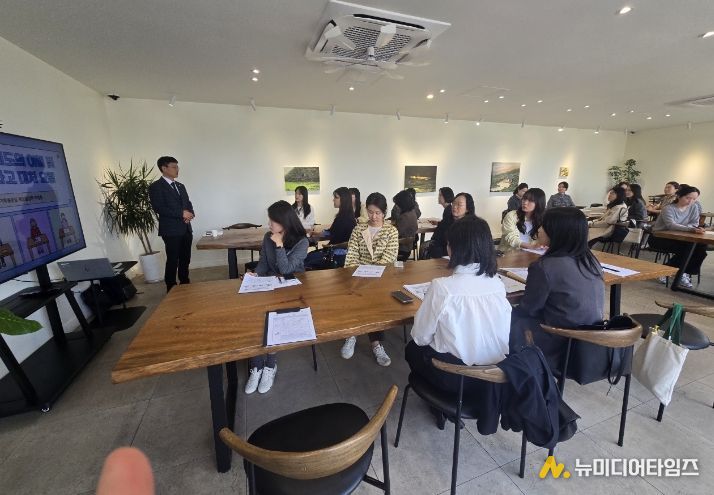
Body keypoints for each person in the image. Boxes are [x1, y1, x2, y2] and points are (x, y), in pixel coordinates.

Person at [406, 215, 511, 426]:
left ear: (454, 249)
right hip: (493, 379)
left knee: (411, 349)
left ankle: (439, 406)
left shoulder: (443, 288)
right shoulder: (497, 284)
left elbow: (420, 337)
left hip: (456, 379)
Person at [510, 207, 605, 369]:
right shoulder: (592, 261)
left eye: (543, 226)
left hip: (560, 342)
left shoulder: (545, 266)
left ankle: (514, 369)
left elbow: (529, 309)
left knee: (509, 316)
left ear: (556, 232)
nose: (539, 229)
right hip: (592, 342)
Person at [245, 201, 309, 394]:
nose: (269, 224)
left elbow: (286, 269)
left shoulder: (302, 242)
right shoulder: (268, 237)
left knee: (272, 319)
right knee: (255, 317)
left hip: (291, 289)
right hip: (270, 284)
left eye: (273, 220)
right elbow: (264, 262)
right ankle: (256, 366)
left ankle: (270, 365)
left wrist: (279, 246)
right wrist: (256, 274)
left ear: (284, 222)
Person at [342, 192, 399, 366]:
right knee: (355, 298)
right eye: (370, 212)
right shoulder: (358, 229)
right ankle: (352, 334)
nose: (373, 216)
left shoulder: (391, 231)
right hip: (358, 276)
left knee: (376, 307)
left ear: (384, 212)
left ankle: (376, 344)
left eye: (378, 213)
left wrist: (372, 274)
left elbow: (389, 258)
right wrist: (357, 273)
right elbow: (352, 254)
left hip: (381, 279)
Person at [148, 156, 195, 292]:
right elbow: (159, 207)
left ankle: (185, 282)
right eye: (174, 167)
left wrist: (190, 214)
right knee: (173, 259)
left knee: (185, 258)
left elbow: (187, 203)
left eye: (177, 166)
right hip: (171, 230)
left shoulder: (180, 186)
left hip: (186, 228)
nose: (177, 169)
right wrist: (181, 214)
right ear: (164, 168)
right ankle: (171, 286)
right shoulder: (156, 187)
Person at [648, 185, 707, 289]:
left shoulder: (693, 207)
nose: (690, 201)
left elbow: (694, 223)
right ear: (679, 196)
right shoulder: (668, 208)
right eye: (688, 198)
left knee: (700, 247)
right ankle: (669, 271)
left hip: (680, 237)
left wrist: (690, 228)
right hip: (660, 238)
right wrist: (690, 229)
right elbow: (671, 225)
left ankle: (682, 272)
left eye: (694, 199)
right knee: (687, 249)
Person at [304, 187, 356, 269]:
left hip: (338, 254)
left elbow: (348, 242)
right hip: (332, 250)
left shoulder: (347, 219)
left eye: (336, 197)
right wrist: (317, 233)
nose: (333, 200)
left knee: (307, 261)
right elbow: (332, 232)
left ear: (344, 200)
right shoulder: (341, 216)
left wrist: (331, 246)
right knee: (308, 257)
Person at [500, 188, 546, 252]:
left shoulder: (543, 219)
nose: (525, 202)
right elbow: (510, 237)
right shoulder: (511, 215)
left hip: (532, 253)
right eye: (524, 199)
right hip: (510, 253)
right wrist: (530, 246)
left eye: (530, 200)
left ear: (539, 203)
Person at [425, 187, 455, 259]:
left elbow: (445, 228)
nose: (438, 197)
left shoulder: (448, 211)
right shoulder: (448, 209)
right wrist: (438, 223)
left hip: (443, 245)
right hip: (443, 243)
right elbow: (445, 224)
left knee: (425, 246)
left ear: (446, 196)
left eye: (440, 195)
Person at [392, 189, 418, 258]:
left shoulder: (404, 217)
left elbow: (395, 233)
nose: (396, 206)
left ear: (402, 204)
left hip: (402, 249)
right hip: (408, 247)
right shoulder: (412, 212)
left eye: (397, 204)